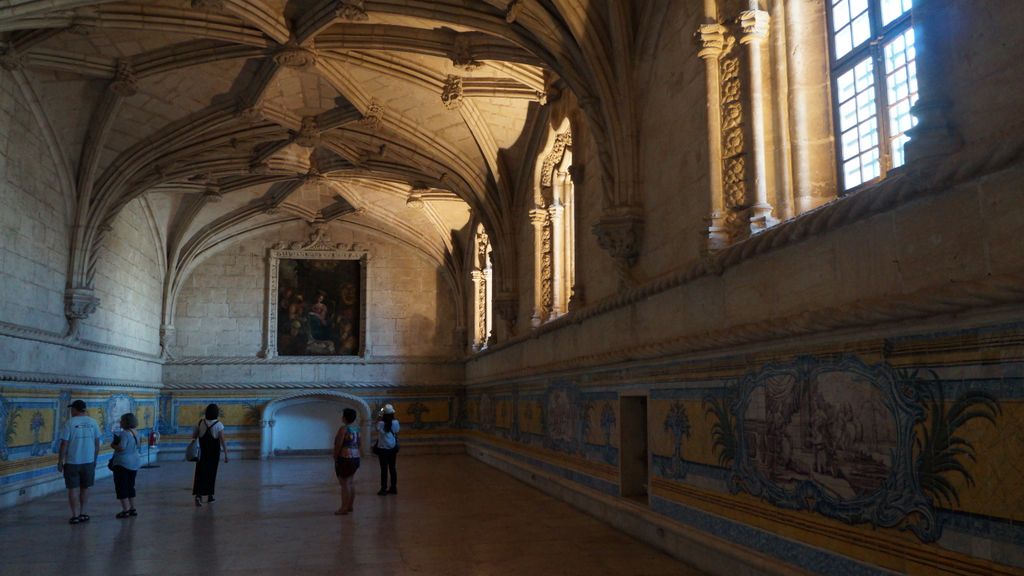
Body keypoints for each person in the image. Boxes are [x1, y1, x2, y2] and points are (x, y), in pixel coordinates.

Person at [57, 399, 101, 524]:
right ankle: (83, 512)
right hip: (88, 461)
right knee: (85, 488)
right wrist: (95, 460)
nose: (71, 411)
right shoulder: (93, 422)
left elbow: (64, 444)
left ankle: (75, 515)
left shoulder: (70, 423)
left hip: (72, 461)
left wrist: (60, 461)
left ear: (75, 410)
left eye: (72, 409)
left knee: (72, 489)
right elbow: (97, 444)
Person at [192, 403, 229, 506]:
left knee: (200, 474)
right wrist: (226, 454)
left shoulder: (200, 423)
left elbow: (194, 436)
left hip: (202, 453)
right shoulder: (219, 425)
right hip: (213, 454)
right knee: (211, 474)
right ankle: (210, 496)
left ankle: (198, 495)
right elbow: (222, 441)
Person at [110, 412, 141, 518]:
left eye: (121, 420)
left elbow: (121, 447)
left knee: (121, 486)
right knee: (130, 486)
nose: (120, 422)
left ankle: (125, 509)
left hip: (123, 463)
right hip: (134, 461)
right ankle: (132, 508)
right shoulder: (136, 432)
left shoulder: (124, 433)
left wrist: (113, 445)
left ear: (126, 422)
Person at [332, 408, 361, 515]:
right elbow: (359, 444)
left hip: (345, 458)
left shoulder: (343, 429)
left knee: (344, 483)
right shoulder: (357, 429)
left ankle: (344, 508)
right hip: (355, 457)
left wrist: (335, 455)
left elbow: (339, 444)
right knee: (350, 482)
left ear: (344, 417)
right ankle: (350, 506)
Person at [375, 404, 400, 496]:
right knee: (392, 468)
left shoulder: (381, 423)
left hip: (382, 448)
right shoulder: (396, 422)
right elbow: (397, 431)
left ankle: (383, 489)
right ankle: (393, 487)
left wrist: (379, 415)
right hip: (392, 447)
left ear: (384, 414)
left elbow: (376, 427)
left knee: (384, 469)